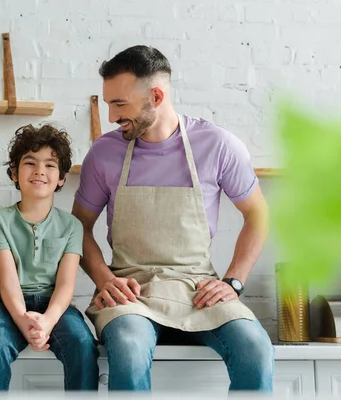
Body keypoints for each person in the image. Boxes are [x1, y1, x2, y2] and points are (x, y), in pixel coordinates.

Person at [72, 45, 274, 392]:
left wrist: (233, 282)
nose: (111, 117)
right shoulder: (104, 152)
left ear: (156, 95)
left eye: (119, 104)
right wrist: (105, 279)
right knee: (130, 349)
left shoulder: (218, 145)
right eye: (107, 104)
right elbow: (78, 227)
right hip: (130, 293)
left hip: (198, 290)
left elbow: (258, 215)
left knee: (255, 349)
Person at [0, 124, 99, 391]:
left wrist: (47, 322)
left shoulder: (72, 226)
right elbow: (8, 283)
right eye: (30, 163)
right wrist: (25, 321)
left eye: (50, 165)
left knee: (83, 345)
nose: (40, 171)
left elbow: (66, 284)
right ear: (14, 173)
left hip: (56, 306)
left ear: (62, 178)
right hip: (9, 306)